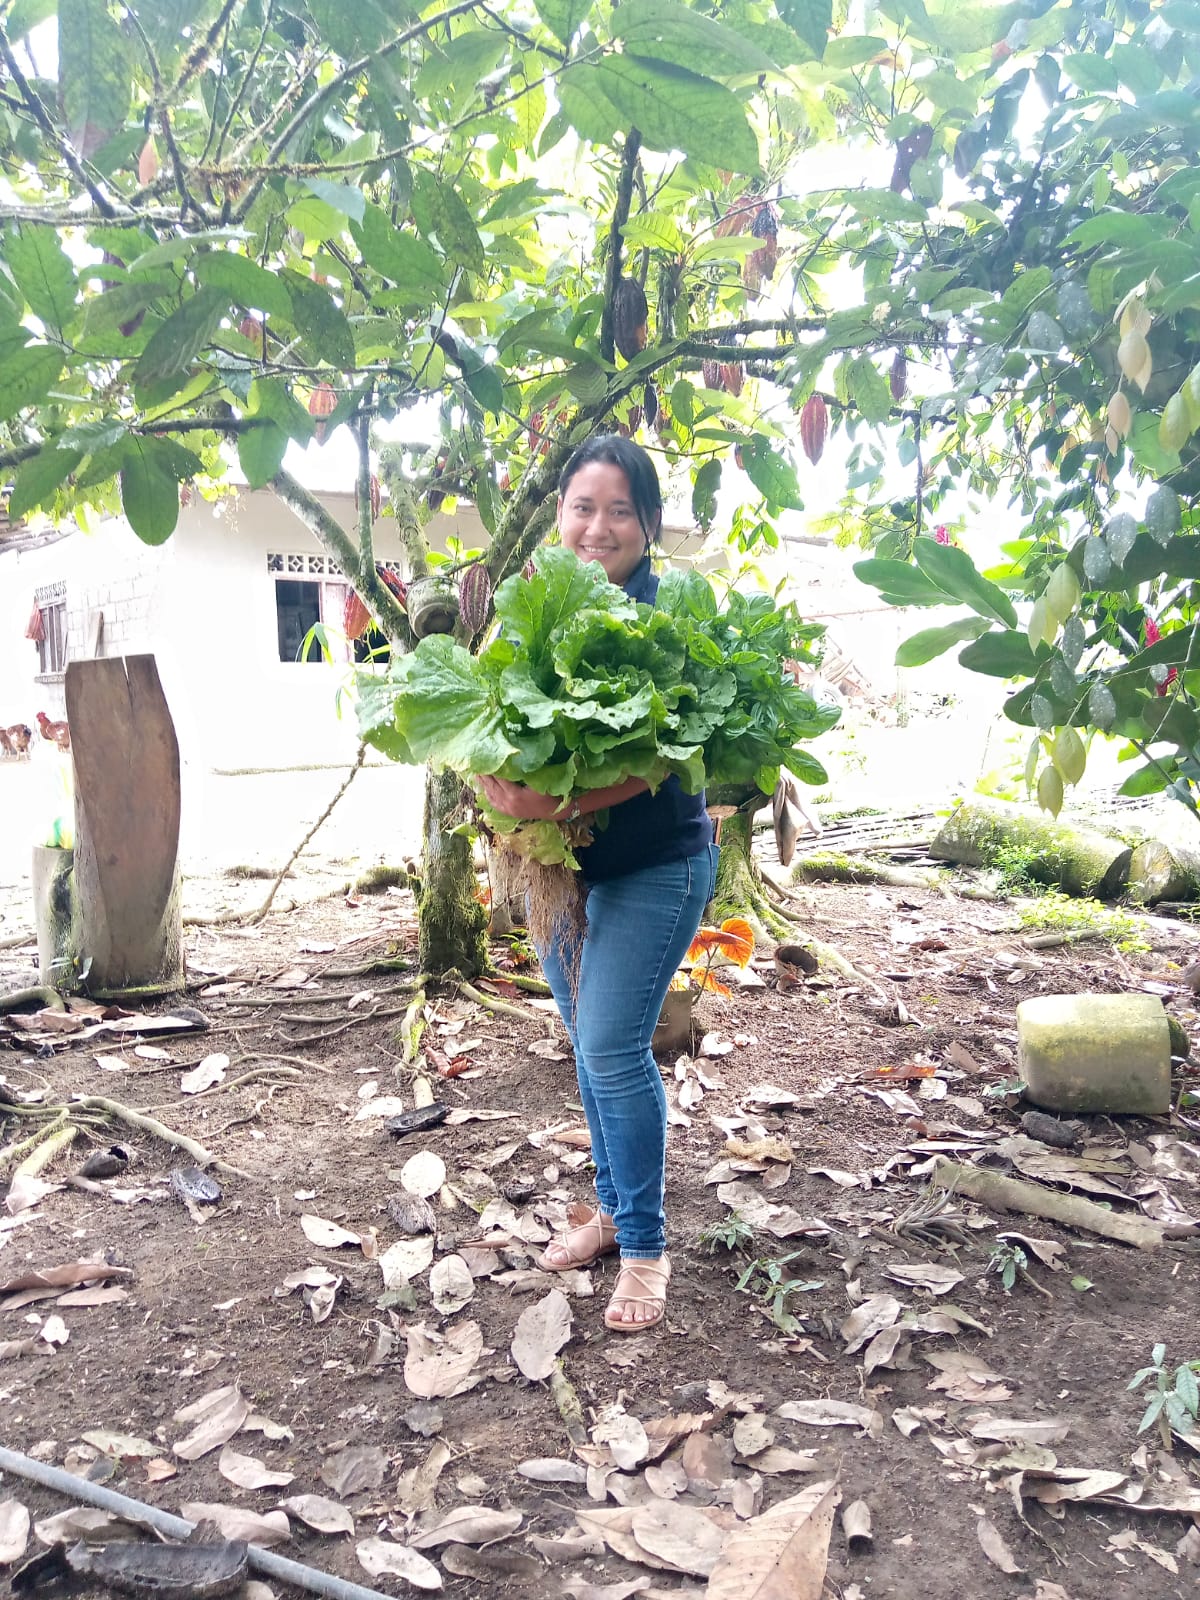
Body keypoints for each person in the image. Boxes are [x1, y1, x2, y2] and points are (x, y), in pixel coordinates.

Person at [477, 436, 718, 1332]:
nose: (598, 527)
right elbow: (482, 715)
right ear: (559, 515)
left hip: (659, 866)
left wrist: (554, 799)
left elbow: (670, 753)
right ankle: (614, 1214)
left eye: (620, 510)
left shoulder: (673, 613)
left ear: (649, 524)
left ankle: (647, 1249)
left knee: (614, 1049)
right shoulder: (535, 605)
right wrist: (493, 783)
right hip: (560, 871)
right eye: (583, 507)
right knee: (589, 1047)